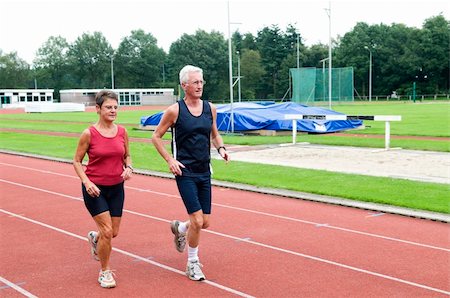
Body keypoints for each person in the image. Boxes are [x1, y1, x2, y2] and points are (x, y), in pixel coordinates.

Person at [152, 65, 229, 281]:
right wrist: (170, 160)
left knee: (204, 222)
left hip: (205, 170)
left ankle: (180, 228)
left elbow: (215, 134)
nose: (199, 86)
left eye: (201, 82)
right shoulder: (174, 111)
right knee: (197, 220)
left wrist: (221, 148)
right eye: (195, 82)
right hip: (184, 171)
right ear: (184, 85)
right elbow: (156, 136)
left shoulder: (209, 108)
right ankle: (192, 263)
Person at [73, 90, 133, 288]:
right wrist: (87, 182)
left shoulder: (122, 132)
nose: (113, 110)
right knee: (107, 231)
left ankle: (95, 238)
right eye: (108, 107)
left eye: (115, 107)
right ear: (98, 109)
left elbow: (127, 156)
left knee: (112, 232)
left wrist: (129, 168)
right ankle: (105, 272)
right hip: (95, 189)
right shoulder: (89, 133)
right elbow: (76, 161)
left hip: (117, 188)